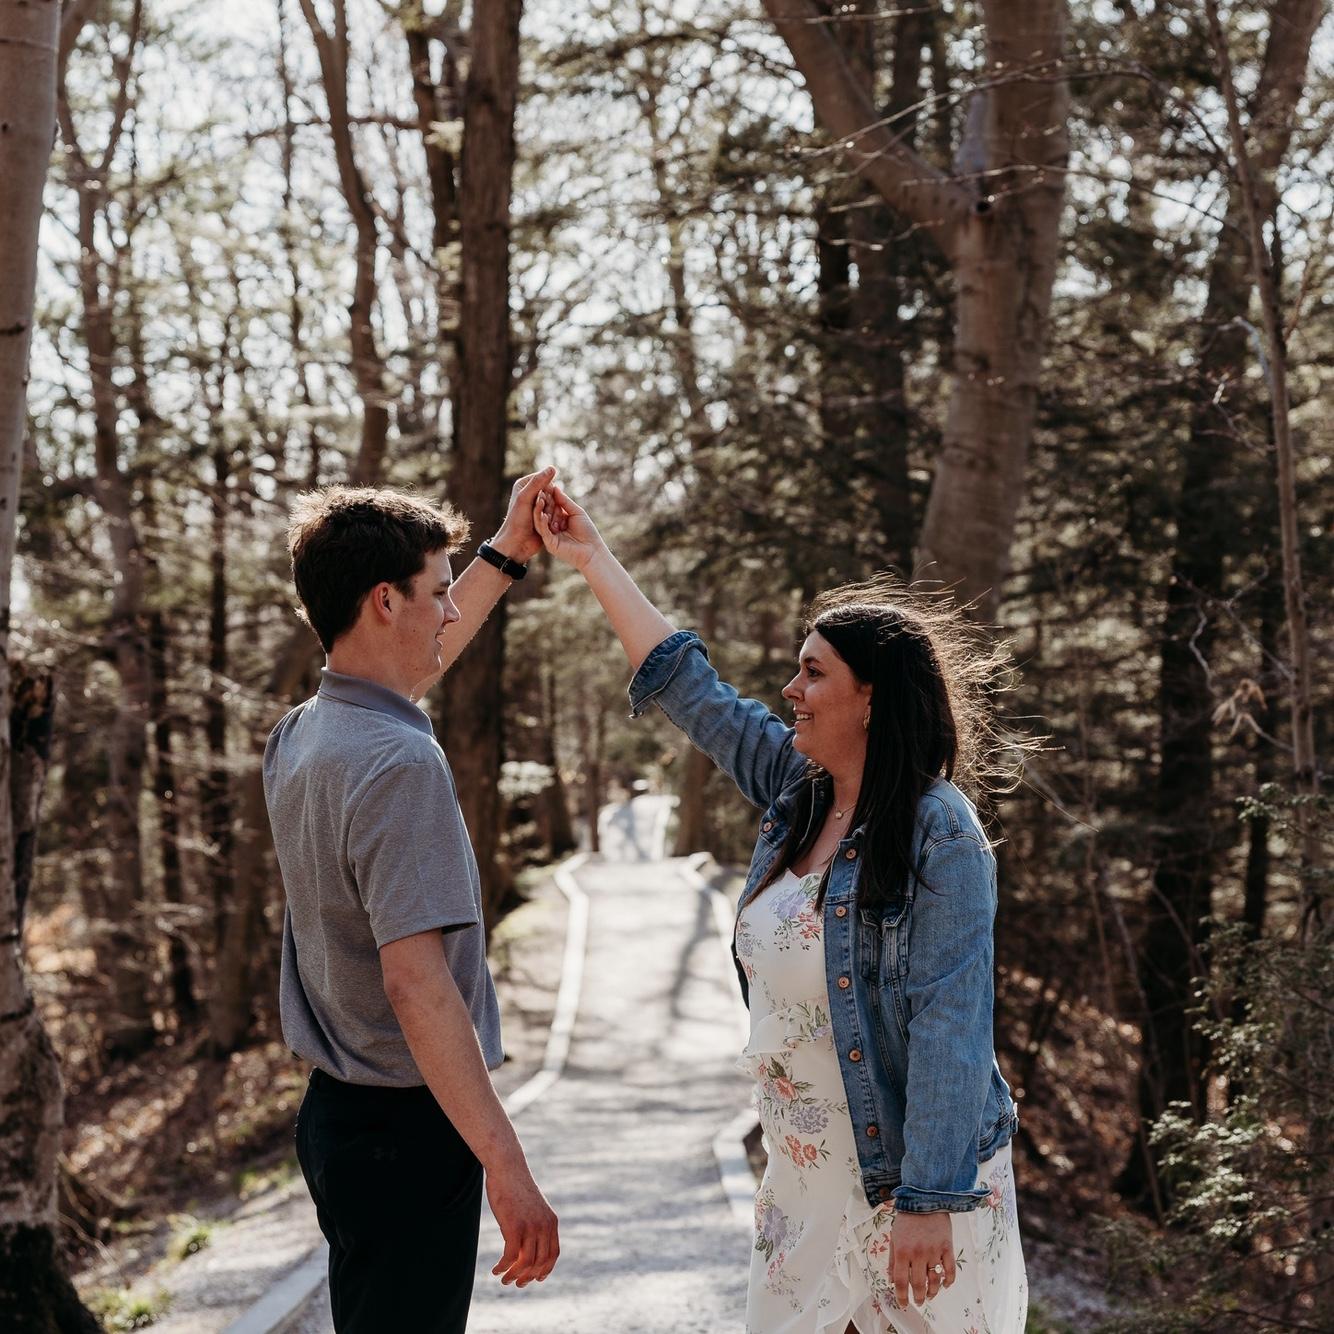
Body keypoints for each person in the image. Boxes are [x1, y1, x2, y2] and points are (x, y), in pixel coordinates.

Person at [534, 483, 1028, 1333]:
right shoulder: (800, 791)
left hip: (910, 1184)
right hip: (804, 1184)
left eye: (814, 671)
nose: (791, 688)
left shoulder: (938, 830)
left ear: (872, 697)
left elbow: (951, 1022)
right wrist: (592, 559)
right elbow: (693, 691)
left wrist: (929, 1200)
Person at [264, 471, 561, 1334]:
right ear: (386, 601)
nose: (449, 611)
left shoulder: (306, 734)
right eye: (437, 593)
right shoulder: (398, 762)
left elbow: (402, 678)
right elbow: (416, 983)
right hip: (407, 1133)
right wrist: (506, 1166)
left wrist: (505, 554)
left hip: (336, 1121)